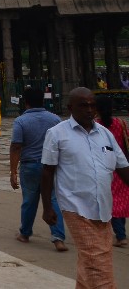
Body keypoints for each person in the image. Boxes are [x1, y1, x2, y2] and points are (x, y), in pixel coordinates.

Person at [42, 87, 129, 287]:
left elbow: (123, 167)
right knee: (96, 259)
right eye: (83, 106)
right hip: (76, 205)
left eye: (92, 105)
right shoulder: (56, 134)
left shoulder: (105, 134)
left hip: (104, 207)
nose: (89, 110)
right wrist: (47, 207)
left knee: (96, 256)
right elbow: (47, 172)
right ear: (70, 108)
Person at [9, 85, 67, 251]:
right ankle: (58, 238)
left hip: (30, 165)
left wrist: (13, 171)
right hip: (51, 165)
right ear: (43, 100)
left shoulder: (21, 121)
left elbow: (16, 147)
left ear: (25, 102)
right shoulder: (55, 119)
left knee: (29, 200)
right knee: (53, 199)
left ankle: (25, 233)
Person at [95, 95, 129, 248]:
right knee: (120, 200)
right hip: (121, 166)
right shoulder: (120, 123)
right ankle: (120, 232)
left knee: (111, 201)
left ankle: (120, 235)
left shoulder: (96, 125)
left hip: (103, 167)